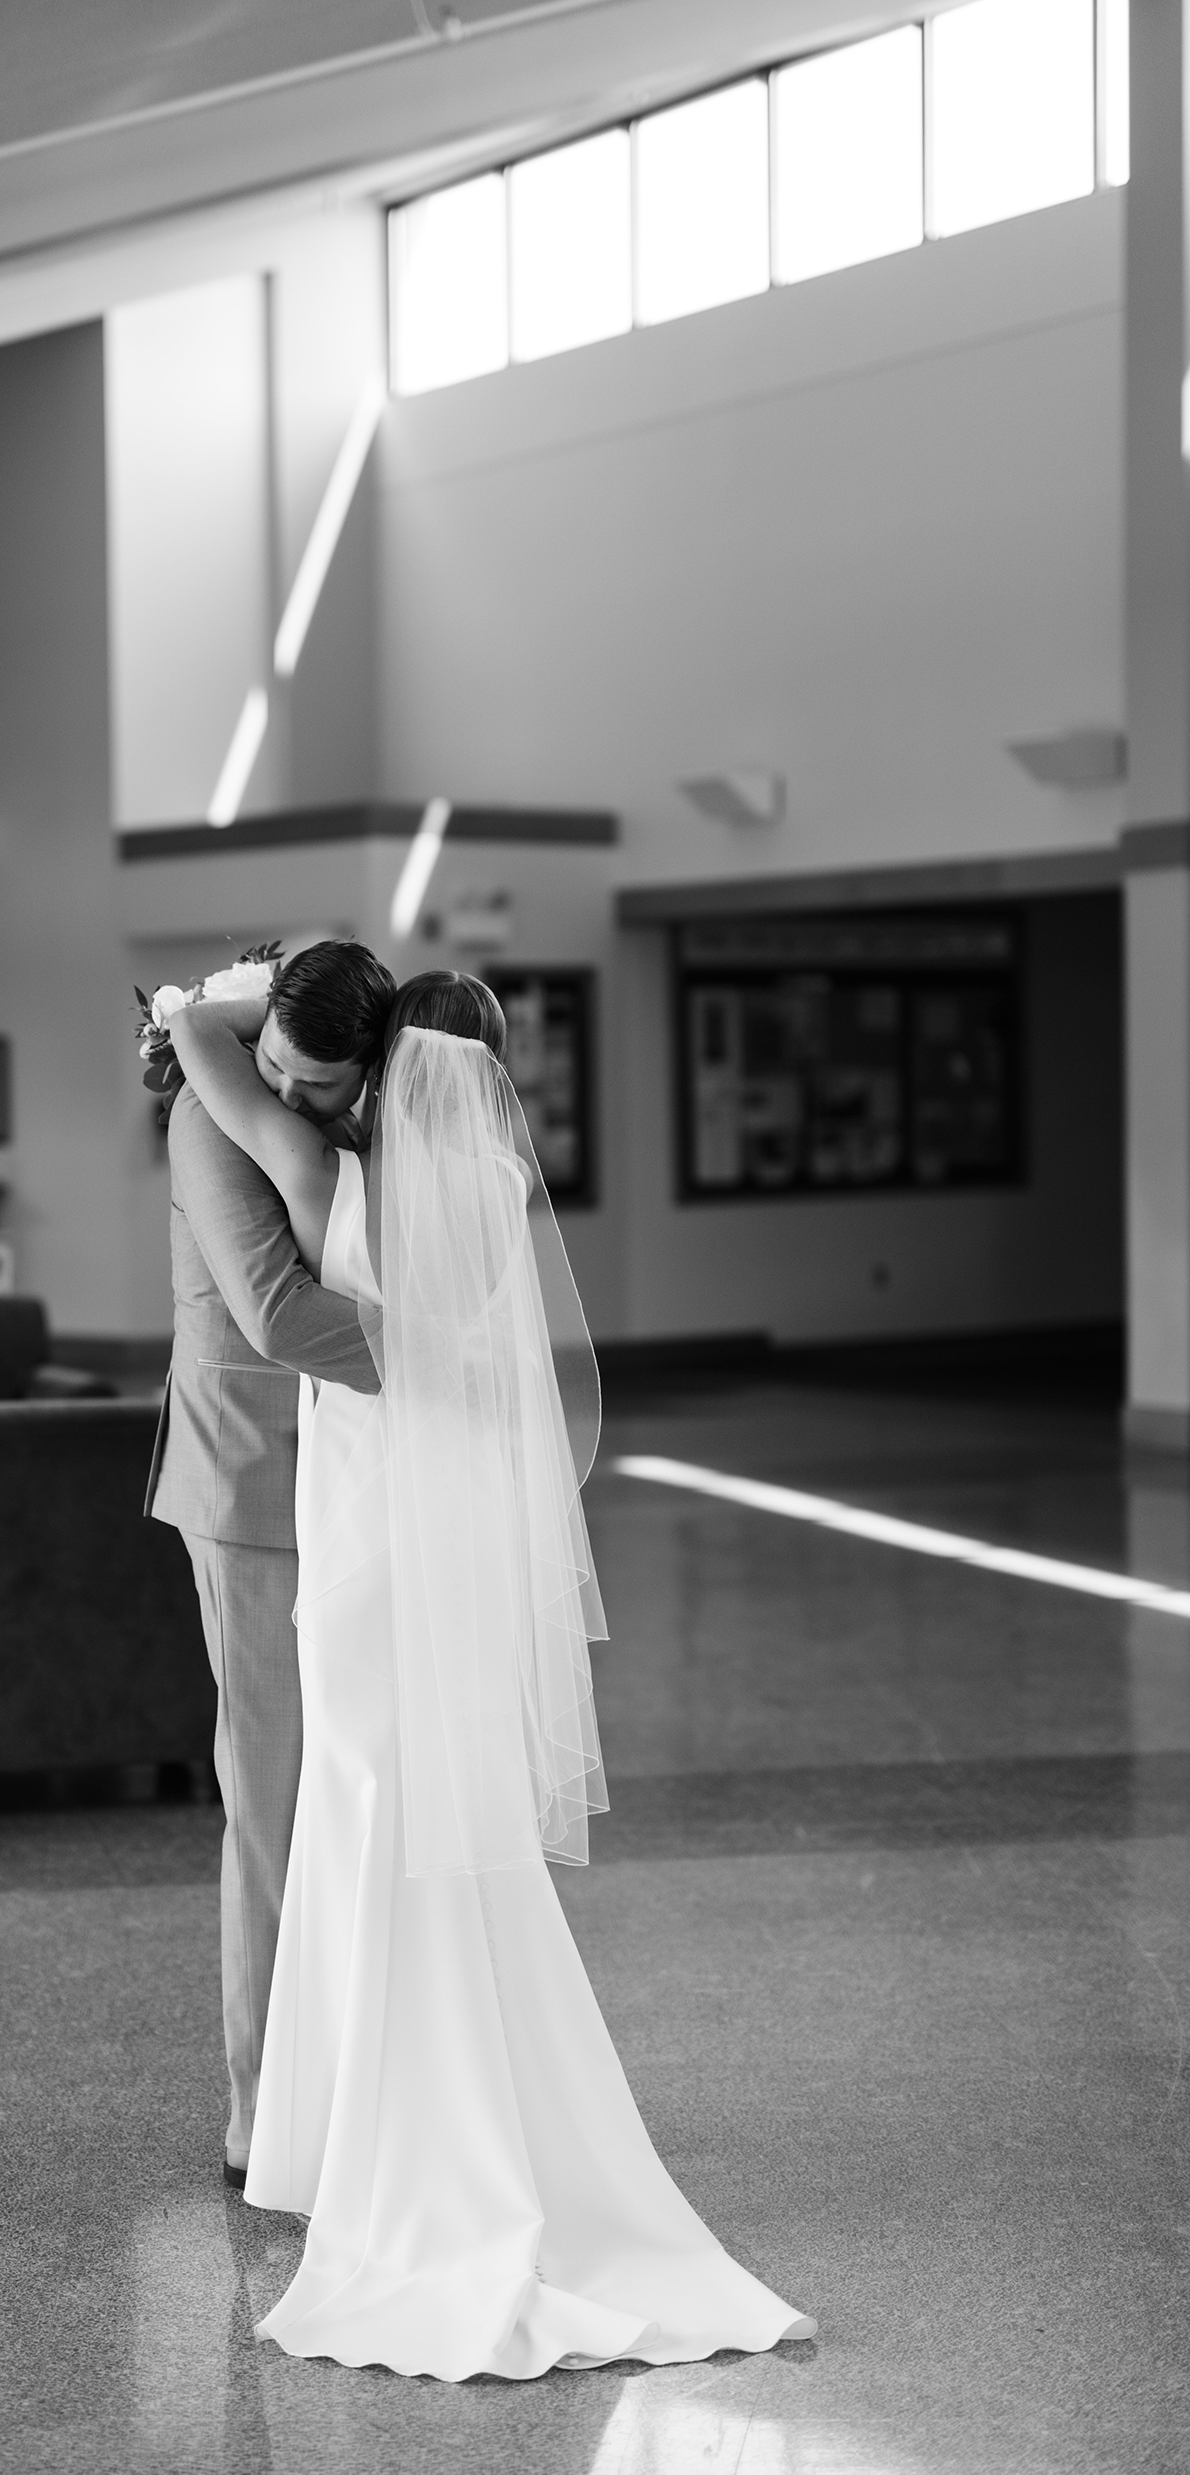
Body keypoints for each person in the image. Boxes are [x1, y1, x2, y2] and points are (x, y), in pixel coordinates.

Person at [167, 966, 815, 2381]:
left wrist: (185, 1007)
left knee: (344, 1807)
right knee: (418, 1823)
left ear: (386, 1079)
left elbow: (221, 1086)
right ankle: (435, 2113)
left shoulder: (326, 1183)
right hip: (431, 1556)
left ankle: (360, 2130)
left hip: (354, 1562)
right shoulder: (483, 1216)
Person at [144, 938, 396, 2193]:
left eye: (318, 1090)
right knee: (272, 1799)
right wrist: (464, 1360)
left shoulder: (369, 1096)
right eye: (279, 1074)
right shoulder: (209, 1108)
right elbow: (279, 1314)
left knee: (361, 1789)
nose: (289, 1104)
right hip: (250, 1483)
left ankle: (365, 2076)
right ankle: (260, 2109)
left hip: (359, 1481)